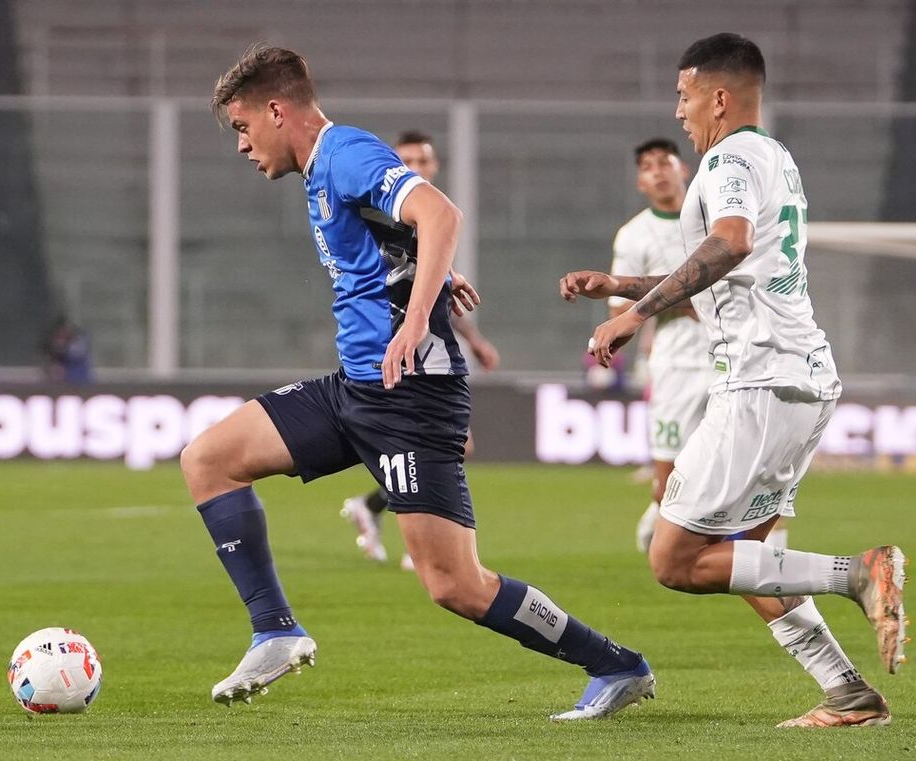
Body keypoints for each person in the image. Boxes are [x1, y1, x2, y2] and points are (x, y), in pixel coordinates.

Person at [183, 43, 653, 720]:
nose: (241, 145)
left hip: (411, 395)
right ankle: (275, 630)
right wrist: (422, 272)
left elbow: (441, 214)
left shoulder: (345, 152)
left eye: (243, 126)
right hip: (356, 387)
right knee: (208, 459)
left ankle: (615, 663)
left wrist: (412, 321)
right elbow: (399, 232)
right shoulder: (321, 171)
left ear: (277, 110)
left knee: (456, 585)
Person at [560, 33, 907, 728]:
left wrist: (633, 314)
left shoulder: (727, 159)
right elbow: (732, 269)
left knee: (674, 559)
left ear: (718, 98)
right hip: (801, 377)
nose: (679, 111)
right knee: (747, 560)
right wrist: (622, 284)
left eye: (684, 96)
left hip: (757, 381)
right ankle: (849, 694)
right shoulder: (774, 156)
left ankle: (859, 572)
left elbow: (731, 242)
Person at [604, 138, 788, 554]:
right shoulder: (634, 234)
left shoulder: (722, 219)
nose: (658, 172)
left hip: (738, 357)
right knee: (668, 481)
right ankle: (662, 510)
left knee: (757, 470)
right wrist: (687, 299)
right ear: (640, 182)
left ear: (683, 169)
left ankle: (766, 559)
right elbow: (617, 306)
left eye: (664, 162)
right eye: (648, 166)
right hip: (677, 366)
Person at [340, 130, 500, 572]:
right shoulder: (382, 216)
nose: (415, 168)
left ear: (434, 166)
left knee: (445, 446)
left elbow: (431, 296)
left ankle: (376, 509)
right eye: (406, 160)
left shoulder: (425, 219)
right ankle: (421, 542)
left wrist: (474, 340)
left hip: (425, 350)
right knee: (437, 447)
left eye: (423, 161)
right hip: (388, 350)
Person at [40, 315, 93, 384]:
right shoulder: (54, 350)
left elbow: (76, 353)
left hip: (80, 380)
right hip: (63, 383)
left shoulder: (79, 340)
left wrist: (62, 347)